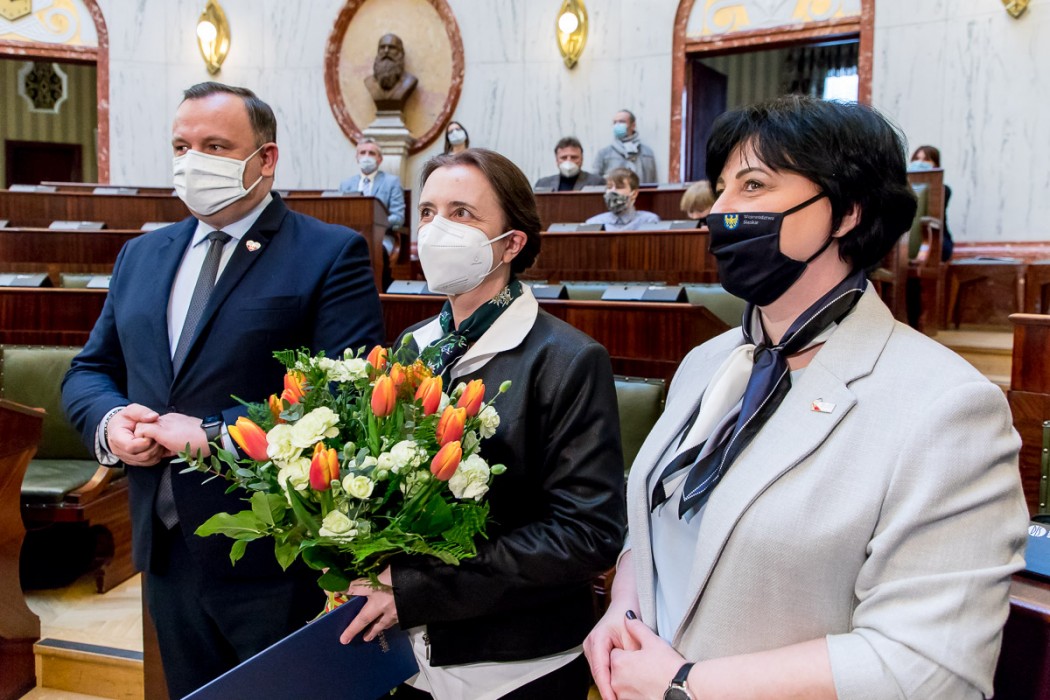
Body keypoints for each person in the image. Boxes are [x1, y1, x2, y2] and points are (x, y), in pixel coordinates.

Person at [584, 95, 1027, 700]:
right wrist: (625, 608)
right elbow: (656, 516)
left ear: (845, 212)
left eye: (753, 185)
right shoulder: (705, 362)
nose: (721, 211)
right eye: (721, 189)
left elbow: (930, 667)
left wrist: (686, 684)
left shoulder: (948, 407)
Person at [61, 82, 385, 699]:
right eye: (181, 146)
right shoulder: (142, 255)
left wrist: (215, 437)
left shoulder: (328, 253)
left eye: (214, 146)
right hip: (166, 546)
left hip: (273, 552)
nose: (193, 161)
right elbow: (89, 370)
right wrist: (110, 423)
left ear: (266, 159)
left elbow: (346, 402)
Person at [339, 148, 626, 699]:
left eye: (462, 213)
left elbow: (586, 534)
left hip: (514, 663)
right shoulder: (413, 345)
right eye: (427, 212)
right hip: (407, 658)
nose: (436, 229)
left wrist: (419, 589)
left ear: (512, 243)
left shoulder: (567, 359)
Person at [339, 137, 407, 230]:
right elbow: (340, 215)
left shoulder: (392, 182)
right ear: (357, 158)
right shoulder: (346, 185)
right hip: (352, 233)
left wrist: (373, 222)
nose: (366, 157)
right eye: (362, 152)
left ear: (380, 159)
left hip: (381, 234)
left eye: (371, 153)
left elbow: (398, 217)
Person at [908, 144, 954, 260]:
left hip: (936, 239)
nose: (919, 163)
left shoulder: (943, 190)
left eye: (926, 160)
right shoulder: (903, 188)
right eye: (916, 159)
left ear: (935, 165)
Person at [592, 109, 657, 183]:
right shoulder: (604, 153)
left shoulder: (647, 153)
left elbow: (653, 181)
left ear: (633, 125)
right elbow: (595, 181)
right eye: (615, 122)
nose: (617, 125)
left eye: (622, 122)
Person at [586, 167, 660, 231]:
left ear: (634, 194)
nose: (612, 191)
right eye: (609, 187)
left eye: (619, 187)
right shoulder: (593, 223)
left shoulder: (649, 221)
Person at [364, 33, 418, 111]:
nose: (386, 51)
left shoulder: (409, 81)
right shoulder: (369, 82)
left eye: (392, 48)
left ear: (401, 53)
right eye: (382, 47)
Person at [534, 136, 606, 191]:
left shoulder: (597, 182)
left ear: (582, 159)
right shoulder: (543, 184)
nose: (569, 161)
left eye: (574, 157)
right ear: (557, 160)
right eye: (564, 158)